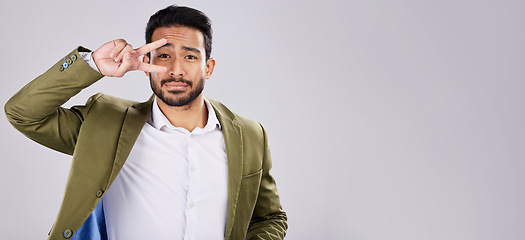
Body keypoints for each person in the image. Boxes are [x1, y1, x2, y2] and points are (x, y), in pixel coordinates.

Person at [4, 5, 287, 240]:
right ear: (146, 63)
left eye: (190, 56)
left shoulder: (250, 135)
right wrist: (92, 64)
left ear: (208, 68)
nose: (175, 69)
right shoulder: (105, 123)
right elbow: (23, 113)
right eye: (164, 56)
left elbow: (270, 217)